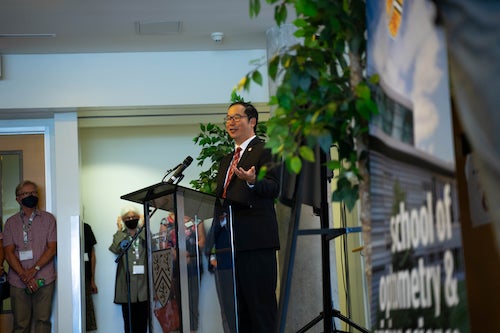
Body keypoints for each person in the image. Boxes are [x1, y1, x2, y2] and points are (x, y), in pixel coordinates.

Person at [208, 102, 281, 333]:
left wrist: (252, 180)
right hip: (227, 248)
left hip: (255, 243)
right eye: (228, 118)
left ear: (252, 121)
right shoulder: (225, 161)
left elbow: (274, 188)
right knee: (237, 315)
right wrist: (212, 244)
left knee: (261, 310)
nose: (231, 122)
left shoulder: (266, 150)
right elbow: (221, 203)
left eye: (237, 117)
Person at [2, 180, 57, 333]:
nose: (31, 195)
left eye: (33, 192)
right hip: (18, 281)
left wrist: (33, 270)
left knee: (43, 322)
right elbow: (8, 252)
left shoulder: (49, 219)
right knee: (20, 325)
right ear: (18, 199)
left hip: (44, 279)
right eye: (26, 193)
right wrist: (24, 275)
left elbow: (51, 249)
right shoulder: (11, 223)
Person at [159, 212, 206, 333]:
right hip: (174, 268)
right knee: (177, 303)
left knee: (193, 303)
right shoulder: (166, 221)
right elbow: (162, 246)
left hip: (193, 267)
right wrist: (178, 254)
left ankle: (192, 330)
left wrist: (190, 252)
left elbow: (202, 242)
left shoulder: (197, 219)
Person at [109, 206, 148, 333]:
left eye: (134, 217)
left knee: (143, 322)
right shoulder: (120, 236)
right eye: (128, 218)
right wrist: (119, 229)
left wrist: (143, 225)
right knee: (129, 322)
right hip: (127, 285)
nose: (131, 219)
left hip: (143, 285)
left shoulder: (144, 233)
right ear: (123, 220)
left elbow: (152, 245)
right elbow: (115, 249)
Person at [83, 222, 98, 331]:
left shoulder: (86, 227)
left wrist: (92, 280)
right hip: (68, 278)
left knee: (87, 316)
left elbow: (92, 255)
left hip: (86, 277)